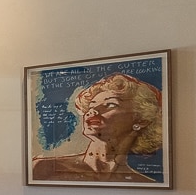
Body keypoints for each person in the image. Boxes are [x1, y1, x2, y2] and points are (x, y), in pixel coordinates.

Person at [31, 73, 163, 183]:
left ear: (142, 120)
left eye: (110, 105)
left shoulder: (144, 183)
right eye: (91, 105)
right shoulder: (43, 168)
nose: (93, 111)